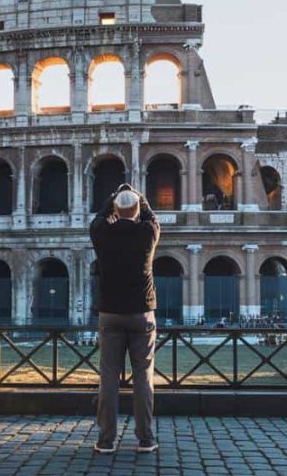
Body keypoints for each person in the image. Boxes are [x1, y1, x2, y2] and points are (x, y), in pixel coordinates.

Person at [89, 183, 161, 454]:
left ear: (116, 211)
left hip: (110, 314)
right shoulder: (148, 232)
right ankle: (146, 439)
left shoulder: (101, 233)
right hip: (142, 312)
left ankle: (106, 440)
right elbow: (151, 216)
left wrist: (113, 196)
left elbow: (99, 218)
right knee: (143, 376)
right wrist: (139, 197)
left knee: (108, 377)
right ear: (137, 209)